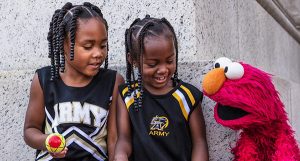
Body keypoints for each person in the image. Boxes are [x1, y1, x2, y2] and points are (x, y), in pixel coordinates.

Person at [23, 2, 124, 161]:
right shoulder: (44, 80)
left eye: (103, 45)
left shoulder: (113, 82)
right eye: (88, 46)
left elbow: (114, 139)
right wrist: (47, 141)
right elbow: (30, 130)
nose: (98, 53)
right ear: (64, 43)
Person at [114, 15, 209, 161]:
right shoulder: (128, 96)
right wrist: (120, 155)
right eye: (153, 64)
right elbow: (124, 139)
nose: (163, 69)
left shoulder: (187, 96)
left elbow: (200, 143)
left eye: (170, 61)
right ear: (133, 60)